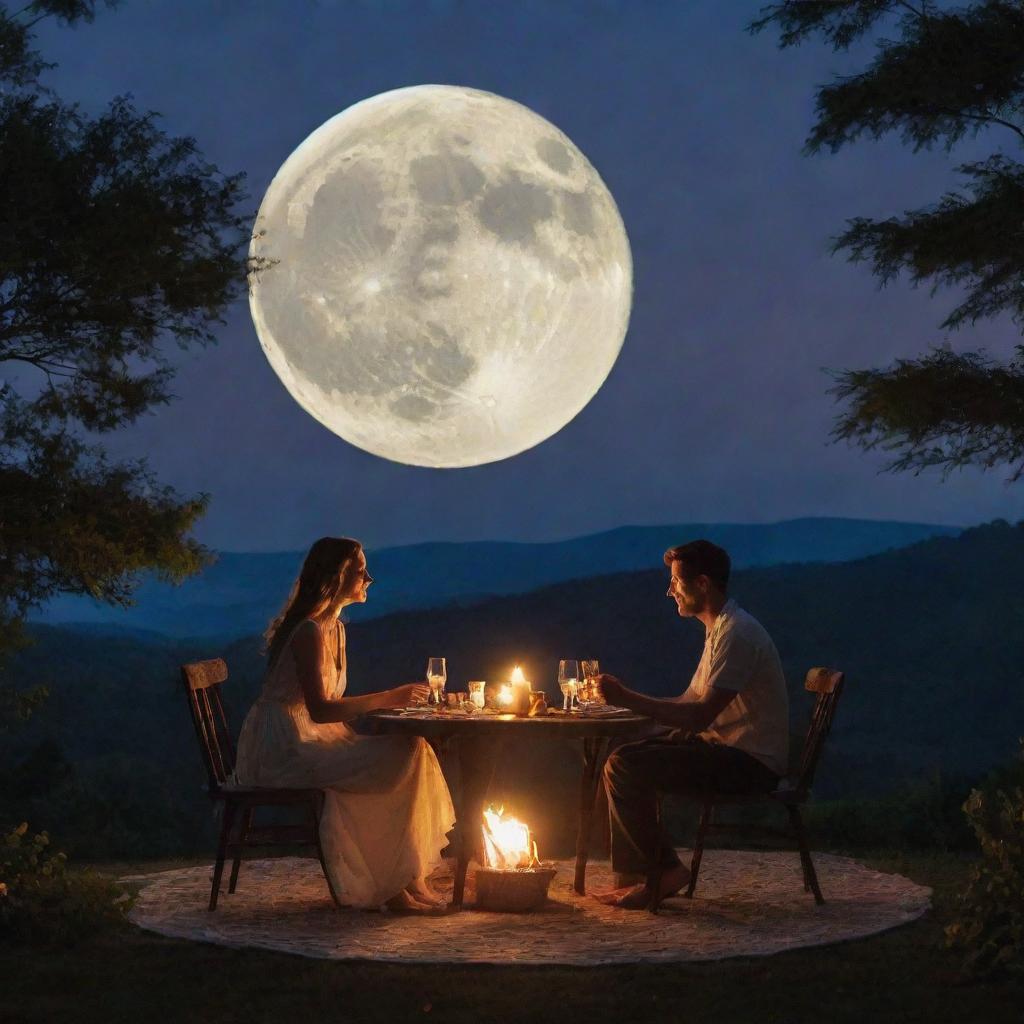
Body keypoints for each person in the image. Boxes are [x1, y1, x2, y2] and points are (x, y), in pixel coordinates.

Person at [235, 536, 455, 912]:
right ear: (337, 577)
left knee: (411, 751)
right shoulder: (308, 631)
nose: (369, 578)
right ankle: (393, 888)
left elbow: (326, 709)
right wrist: (391, 697)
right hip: (283, 746)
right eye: (360, 570)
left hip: (311, 737)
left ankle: (403, 880)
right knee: (401, 758)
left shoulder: (334, 628)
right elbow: (321, 710)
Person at [594, 539, 788, 910]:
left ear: (702, 584)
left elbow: (699, 716)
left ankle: (665, 872)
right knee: (625, 756)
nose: (670, 592)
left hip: (750, 763)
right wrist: (632, 716)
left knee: (625, 766)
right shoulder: (719, 628)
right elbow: (689, 702)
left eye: (676, 582)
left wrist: (628, 698)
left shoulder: (737, 634)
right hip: (725, 750)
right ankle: (639, 874)